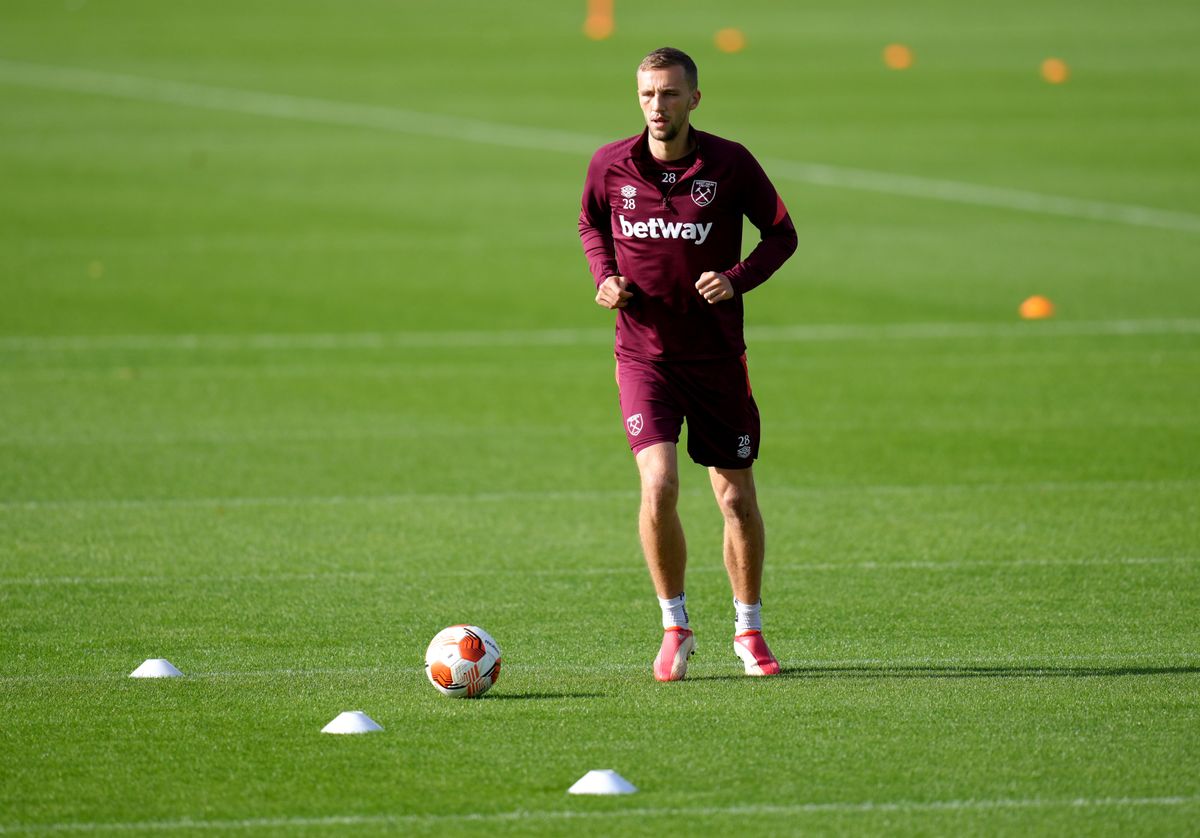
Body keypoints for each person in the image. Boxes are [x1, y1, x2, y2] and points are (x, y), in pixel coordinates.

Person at [578, 47, 798, 681]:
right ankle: (675, 626)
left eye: (670, 94)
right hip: (643, 355)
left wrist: (736, 279)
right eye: (648, 94)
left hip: (716, 359)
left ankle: (749, 630)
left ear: (694, 99)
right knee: (659, 485)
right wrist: (605, 277)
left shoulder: (730, 163)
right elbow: (591, 224)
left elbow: (782, 233)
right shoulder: (609, 165)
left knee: (735, 499)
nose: (657, 106)